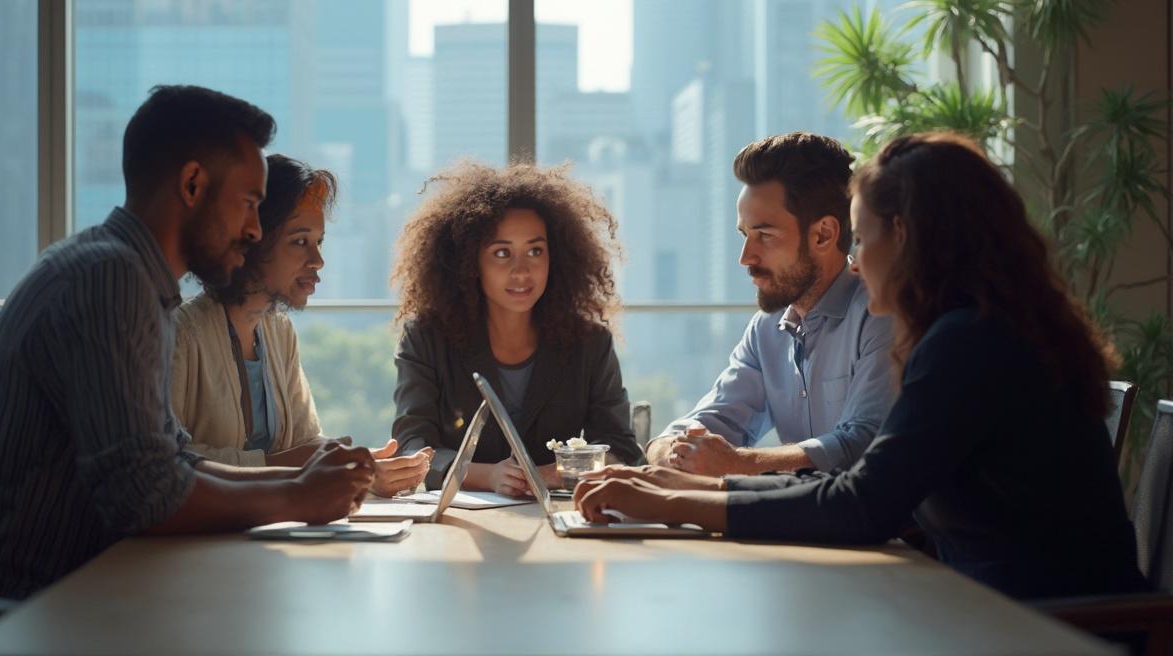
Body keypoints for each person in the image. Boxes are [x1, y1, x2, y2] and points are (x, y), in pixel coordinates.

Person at [574, 132, 1147, 600]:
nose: (854, 260)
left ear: (904, 239)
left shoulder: (968, 343)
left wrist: (675, 500)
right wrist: (693, 484)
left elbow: (862, 504)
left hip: (1048, 629)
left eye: (862, 238)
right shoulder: (979, 328)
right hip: (985, 608)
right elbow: (857, 488)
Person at [0, 86, 374, 600]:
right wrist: (296, 498)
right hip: (4, 612)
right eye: (249, 204)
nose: (255, 230)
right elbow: (144, 496)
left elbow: (172, 465)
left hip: (61, 599)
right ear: (192, 184)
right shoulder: (110, 279)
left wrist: (299, 486)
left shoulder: (128, 277)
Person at [171, 154, 431, 495]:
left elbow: (306, 444)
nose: (318, 261)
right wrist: (303, 463)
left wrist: (359, 468)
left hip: (268, 533)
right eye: (300, 241)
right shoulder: (180, 334)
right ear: (252, 239)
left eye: (319, 242)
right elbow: (171, 462)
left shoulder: (278, 331)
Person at [391, 162, 644, 496]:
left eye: (535, 251)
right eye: (501, 253)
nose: (522, 270)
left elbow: (621, 448)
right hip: (465, 531)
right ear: (469, 262)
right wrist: (487, 476)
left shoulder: (590, 343)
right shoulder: (426, 339)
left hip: (560, 521)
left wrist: (554, 473)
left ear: (556, 257)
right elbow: (412, 447)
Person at [647, 132, 894, 477]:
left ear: (823, 234)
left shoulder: (881, 313)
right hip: (799, 525)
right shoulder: (767, 329)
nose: (746, 258)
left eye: (764, 235)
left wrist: (740, 463)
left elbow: (864, 442)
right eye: (744, 235)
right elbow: (715, 418)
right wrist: (669, 448)